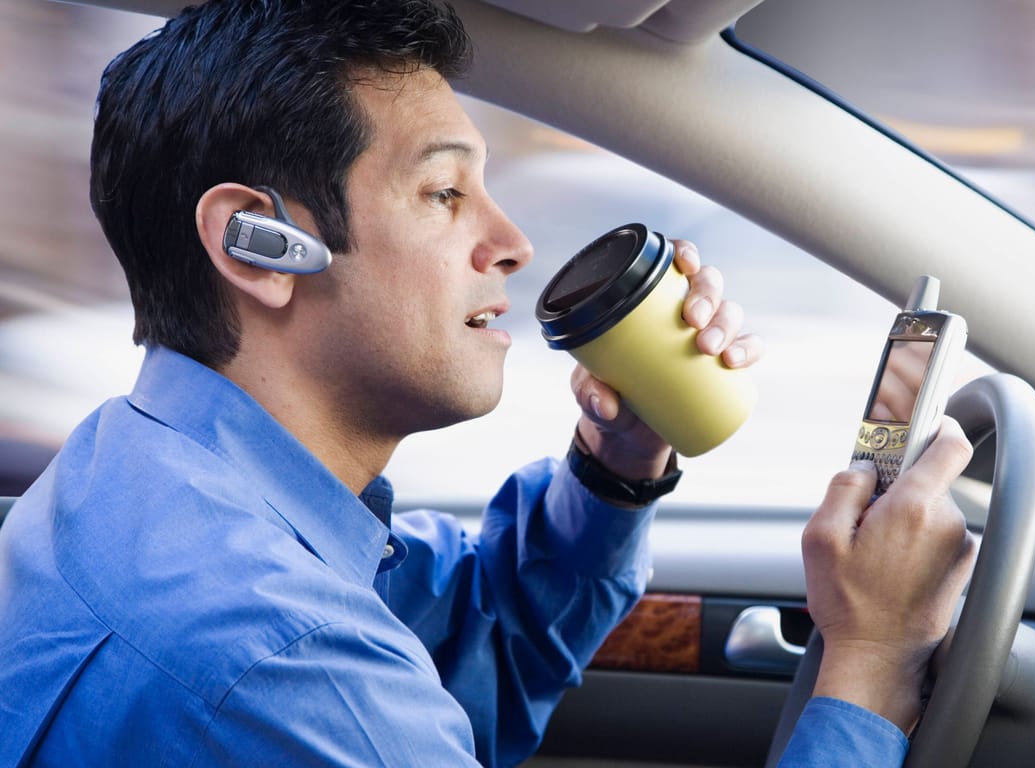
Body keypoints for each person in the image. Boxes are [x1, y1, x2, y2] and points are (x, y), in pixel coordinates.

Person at [0, 2, 975, 766]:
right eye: (444, 193)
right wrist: (866, 665)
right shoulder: (273, 659)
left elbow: (473, 644)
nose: (511, 246)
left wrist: (616, 462)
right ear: (258, 247)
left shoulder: (143, 475)